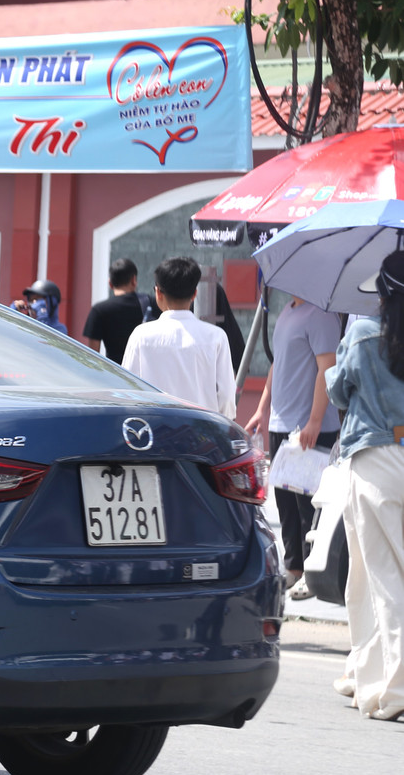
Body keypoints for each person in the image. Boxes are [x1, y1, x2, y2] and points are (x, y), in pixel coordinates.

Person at [324, 250, 404, 721]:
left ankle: (391, 690)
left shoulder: (362, 333)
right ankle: (367, 676)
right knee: (374, 575)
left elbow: (338, 389)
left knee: (380, 577)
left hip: (373, 457)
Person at [245, 290, 342, 601]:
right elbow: (278, 365)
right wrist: (262, 409)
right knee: (286, 501)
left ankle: (312, 573)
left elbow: (328, 367)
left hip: (309, 427)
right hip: (281, 423)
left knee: (308, 505)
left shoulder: (322, 314)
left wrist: (315, 420)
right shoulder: (288, 311)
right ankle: (294, 567)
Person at [122, 257, 237, 419]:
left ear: (158, 292)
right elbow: (225, 395)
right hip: (203, 433)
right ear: (195, 293)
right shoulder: (216, 337)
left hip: (153, 432)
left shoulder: (141, 336)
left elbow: (128, 391)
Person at [85, 257, 158, 364]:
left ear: (110, 283)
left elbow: (92, 355)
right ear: (133, 280)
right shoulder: (151, 303)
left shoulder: (99, 310)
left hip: (115, 374)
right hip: (144, 375)